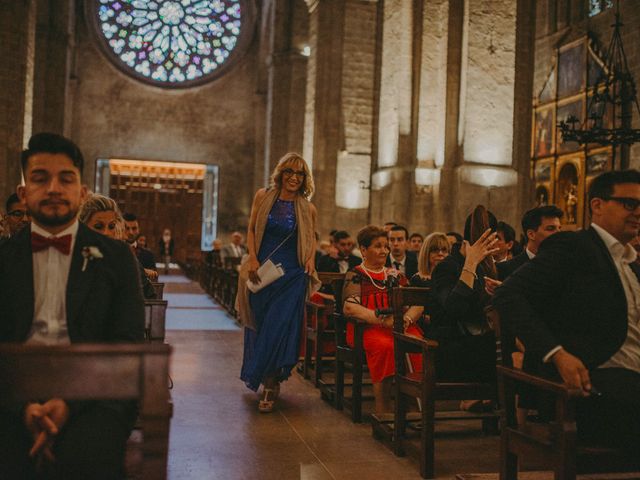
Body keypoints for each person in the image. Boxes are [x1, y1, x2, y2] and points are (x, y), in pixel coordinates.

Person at [0, 132, 144, 479]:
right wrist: (23, 408)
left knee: (89, 456)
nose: (53, 188)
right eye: (39, 178)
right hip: (10, 396)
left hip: (91, 398)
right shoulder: (4, 258)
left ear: (82, 193)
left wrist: (69, 404)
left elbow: (125, 345)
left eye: (66, 179)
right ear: (24, 193)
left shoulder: (116, 258)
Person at [493, 170, 640, 455]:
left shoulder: (631, 263)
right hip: (592, 377)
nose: (638, 212)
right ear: (597, 205)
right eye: (629, 204)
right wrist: (556, 353)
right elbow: (507, 295)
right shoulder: (572, 246)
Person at [237, 152, 319, 413]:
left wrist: (311, 260)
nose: (294, 178)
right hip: (263, 271)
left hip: (292, 273)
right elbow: (251, 228)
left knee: (279, 326)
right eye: (289, 172)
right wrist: (252, 259)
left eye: (300, 174)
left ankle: (271, 385)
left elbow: (312, 237)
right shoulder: (263, 196)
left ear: (304, 179)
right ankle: (265, 374)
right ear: (281, 173)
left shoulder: (307, 207)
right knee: (261, 325)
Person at [342, 225, 424, 414]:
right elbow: (350, 307)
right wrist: (382, 321)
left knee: (418, 344)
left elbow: (418, 302)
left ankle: (412, 404)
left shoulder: (395, 274)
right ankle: (383, 408)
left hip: (398, 325)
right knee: (387, 347)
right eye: (378, 246)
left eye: (385, 246)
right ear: (363, 250)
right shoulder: (356, 275)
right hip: (367, 329)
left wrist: (406, 320)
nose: (385, 250)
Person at [429, 205, 499, 386]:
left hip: (480, 341)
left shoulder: (489, 267)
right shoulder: (446, 267)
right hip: (452, 345)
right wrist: (471, 261)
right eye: (490, 242)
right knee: (504, 353)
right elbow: (455, 308)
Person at [79, 194, 157, 299]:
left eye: (111, 226)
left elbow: (150, 300)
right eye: (98, 226)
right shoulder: (73, 257)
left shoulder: (125, 259)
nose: (106, 233)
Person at [497, 205, 563, 280]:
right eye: (551, 228)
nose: (558, 233)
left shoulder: (564, 266)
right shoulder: (506, 269)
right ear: (531, 234)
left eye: (559, 228)